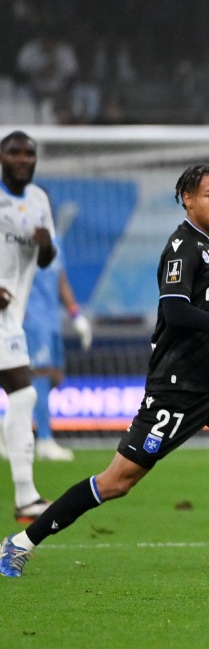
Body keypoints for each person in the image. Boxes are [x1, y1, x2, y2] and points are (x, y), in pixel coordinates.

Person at [1, 164, 209, 578]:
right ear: (187, 199)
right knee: (116, 482)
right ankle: (19, 543)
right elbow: (175, 311)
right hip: (177, 390)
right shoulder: (182, 247)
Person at [0, 131, 56, 523]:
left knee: (23, 395)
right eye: (14, 152)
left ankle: (26, 499)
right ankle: (26, 497)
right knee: (22, 392)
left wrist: (47, 241)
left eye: (29, 154)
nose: (22, 159)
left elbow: (46, 259)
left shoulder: (39, 201)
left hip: (9, 318)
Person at [24, 255, 93, 461]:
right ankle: (44, 439)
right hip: (32, 318)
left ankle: (11, 421)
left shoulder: (54, 240)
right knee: (41, 374)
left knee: (55, 377)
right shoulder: (22, 236)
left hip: (52, 319)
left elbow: (60, 279)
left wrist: (75, 314)